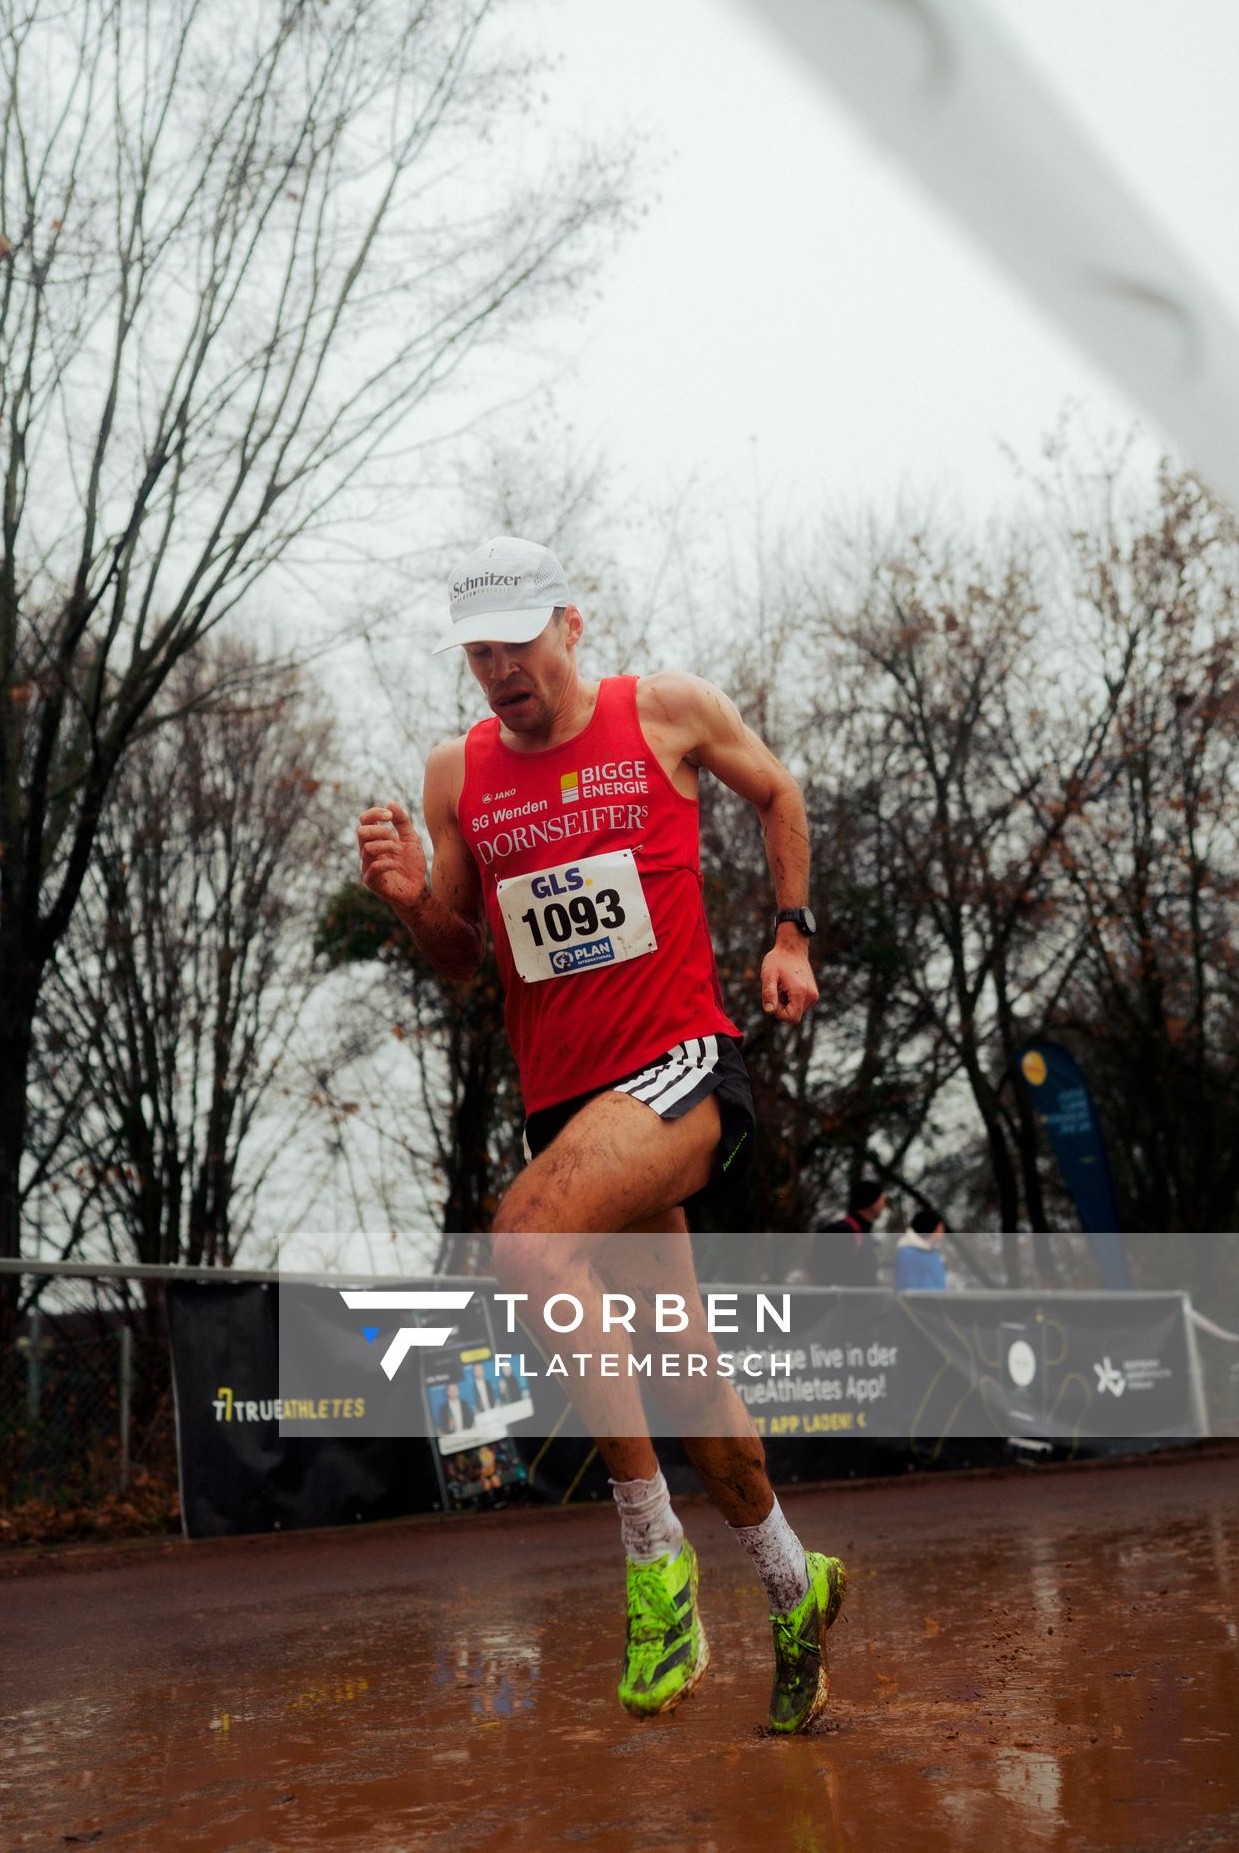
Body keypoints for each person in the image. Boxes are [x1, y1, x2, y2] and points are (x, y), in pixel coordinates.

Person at [358, 536, 847, 1734]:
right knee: (694, 1396)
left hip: (680, 1069)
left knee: (523, 1239)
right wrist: (414, 901)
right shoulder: (456, 773)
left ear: (569, 626)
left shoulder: (663, 713)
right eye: (476, 652)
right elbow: (465, 962)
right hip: (573, 1113)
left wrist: (789, 937)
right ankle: (795, 1583)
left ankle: (652, 1566)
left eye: (516, 643)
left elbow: (779, 792)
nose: (497, 671)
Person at [821, 1176, 885, 1288]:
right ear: (872, 1202)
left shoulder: (862, 1232)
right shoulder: (843, 1231)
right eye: (882, 1200)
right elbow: (829, 1276)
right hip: (843, 1304)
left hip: (860, 1303)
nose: (883, 1205)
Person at [895, 1209, 947, 1291]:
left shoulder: (932, 1252)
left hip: (937, 1301)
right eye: (939, 1230)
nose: (942, 1234)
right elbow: (909, 1288)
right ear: (930, 1229)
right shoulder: (908, 1254)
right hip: (922, 1302)